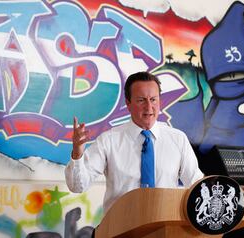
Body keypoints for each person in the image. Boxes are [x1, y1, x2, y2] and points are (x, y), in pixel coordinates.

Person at [65, 71, 204, 214]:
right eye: (141, 100)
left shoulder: (178, 139)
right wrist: (77, 153)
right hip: (119, 228)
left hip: (164, 228)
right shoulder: (109, 140)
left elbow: (197, 186)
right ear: (128, 104)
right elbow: (77, 186)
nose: (149, 107)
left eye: (153, 99)